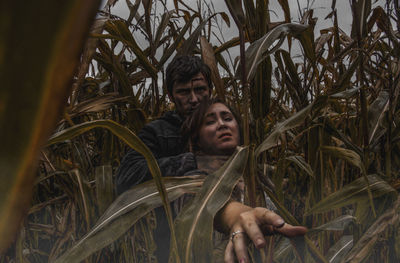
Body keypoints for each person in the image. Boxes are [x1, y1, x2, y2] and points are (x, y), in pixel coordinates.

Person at [182, 99, 307, 263]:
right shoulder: (190, 180)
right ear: (197, 138)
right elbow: (212, 206)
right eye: (210, 122)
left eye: (227, 118)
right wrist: (239, 216)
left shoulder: (264, 174)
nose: (222, 124)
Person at [116, 55, 212, 194]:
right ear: (171, 96)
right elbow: (126, 178)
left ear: (210, 89)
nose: (193, 99)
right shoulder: (157, 132)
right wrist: (189, 161)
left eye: (200, 89)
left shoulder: (227, 127)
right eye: (184, 92)